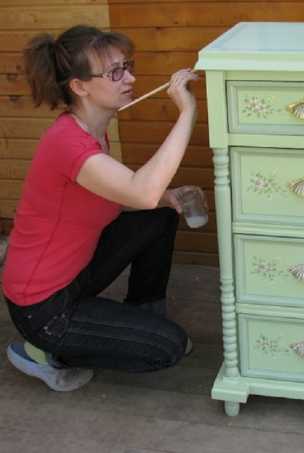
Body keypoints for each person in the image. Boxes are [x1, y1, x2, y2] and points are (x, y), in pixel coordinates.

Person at [1, 25, 204, 391]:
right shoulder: (68, 143)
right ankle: (44, 352)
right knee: (170, 348)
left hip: (74, 274)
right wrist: (186, 111)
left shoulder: (91, 131)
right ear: (79, 86)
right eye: (115, 72)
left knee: (159, 215)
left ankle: (141, 316)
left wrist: (164, 197)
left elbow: (124, 196)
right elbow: (141, 192)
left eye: (127, 66)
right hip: (44, 308)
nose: (131, 78)